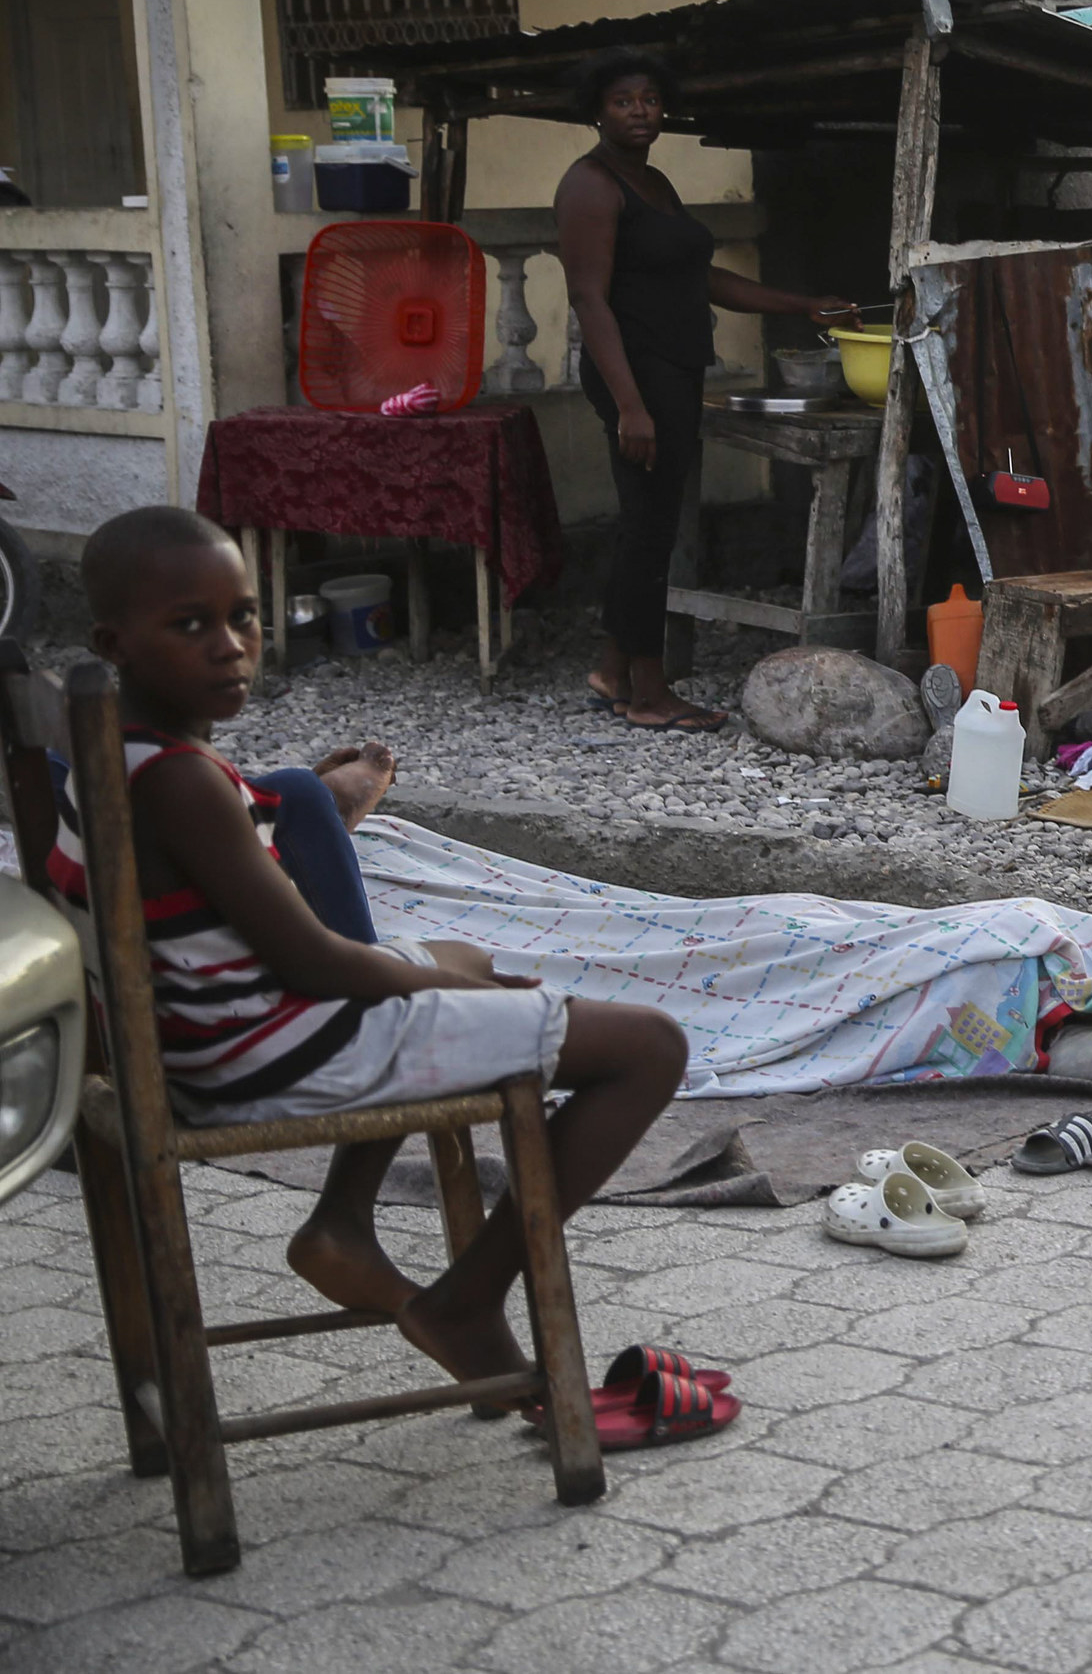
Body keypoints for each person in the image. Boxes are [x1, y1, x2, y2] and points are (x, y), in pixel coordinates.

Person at [61, 509, 694, 1397]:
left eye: (243, 615)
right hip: (263, 1052)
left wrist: (444, 976)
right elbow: (318, 965)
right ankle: (468, 1298)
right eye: (190, 624)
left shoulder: (105, 752)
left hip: (204, 1039)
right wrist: (429, 988)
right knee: (647, 1047)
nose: (231, 646)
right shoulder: (179, 780)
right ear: (113, 641)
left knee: (463, 956)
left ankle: (342, 1222)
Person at [558, 47, 848, 735]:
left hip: (675, 367)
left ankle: (611, 668)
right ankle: (650, 693)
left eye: (651, 100)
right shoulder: (591, 185)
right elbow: (589, 301)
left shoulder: (653, 183)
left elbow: (702, 277)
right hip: (635, 372)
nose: (640, 111)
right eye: (624, 100)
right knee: (650, 531)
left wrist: (800, 303)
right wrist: (630, 403)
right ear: (598, 109)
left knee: (647, 521)